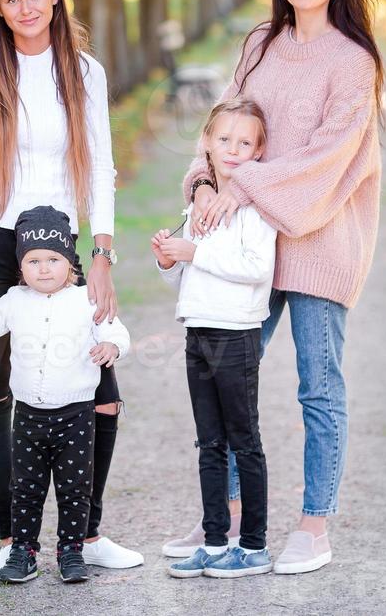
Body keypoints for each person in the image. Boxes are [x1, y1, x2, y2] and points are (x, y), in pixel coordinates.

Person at [163, 0, 383, 574]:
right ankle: (224, 519)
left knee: (318, 386)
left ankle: (314, 526)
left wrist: (247, 183)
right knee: (231, 381)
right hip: (247, 243)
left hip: (319, 241)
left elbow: (328, 158)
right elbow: (230, 127)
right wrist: (206, 179)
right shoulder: (260, 43)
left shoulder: (353, 60)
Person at [0, 0, 142, 573]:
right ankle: (12, 541)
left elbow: (100, 164)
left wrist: (101, 253)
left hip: (55, 241)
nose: (23, 8)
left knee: (98, 386)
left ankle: (85, 534)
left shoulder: (84, 71)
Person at [0, 205, 130, 584]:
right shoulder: (14, 301)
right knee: (26, 489)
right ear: (21, 266)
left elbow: (115, 329)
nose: (44, 268)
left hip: (76, 417)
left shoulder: (86, 299)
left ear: (70, 263)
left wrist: (111, 348)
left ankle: (71, 551)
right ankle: (23, 551)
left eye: (53, 259)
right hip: (29, 417)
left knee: (74, 488)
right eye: (33, 261)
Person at [152, 98, 277, 579]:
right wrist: (169, 258)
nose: (233, 149)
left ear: (259, 151)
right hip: (198, 330)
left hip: (237, 334)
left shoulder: (255, 209)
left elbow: (256, 269)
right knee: (209, 443)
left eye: (245, 142)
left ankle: (253, 545)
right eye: (224, 139)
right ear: (206, 142)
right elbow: (182, 276)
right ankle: (212, 539)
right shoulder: (196, 203)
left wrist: (194, 253)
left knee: (244, 440)